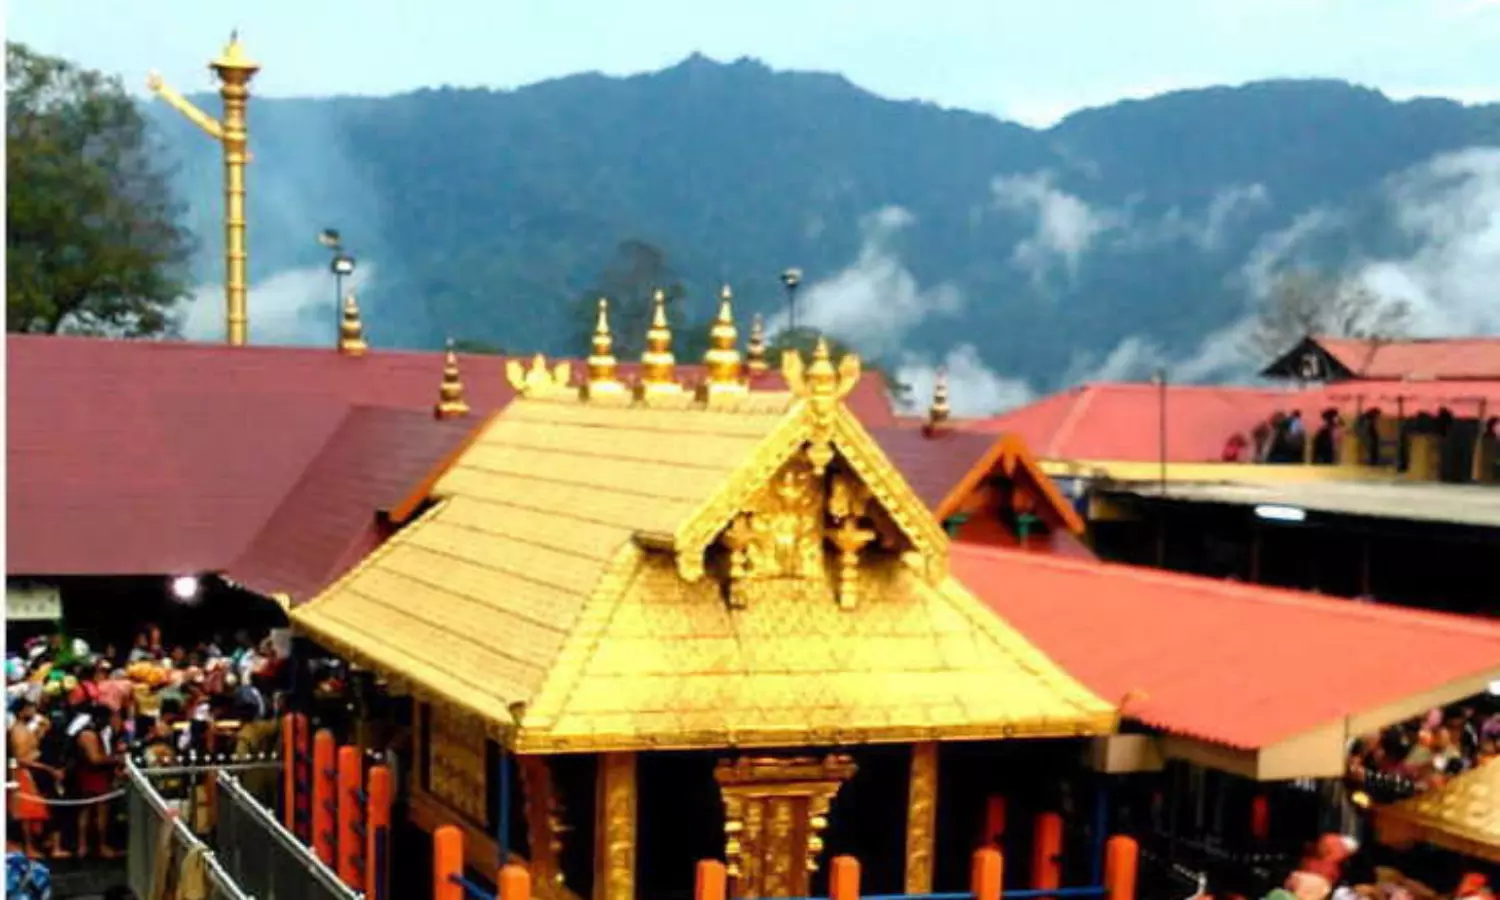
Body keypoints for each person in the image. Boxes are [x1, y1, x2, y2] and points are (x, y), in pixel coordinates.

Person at [7, 700, 60, 859]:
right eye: (30, 709)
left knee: (33, 812)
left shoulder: (24, 729)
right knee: (26, 813)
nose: (33, 712)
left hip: (30, 771)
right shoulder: (18, 731)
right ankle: (28, 847)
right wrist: (47, 768)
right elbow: (21, 758)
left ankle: (35, 845)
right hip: (23, 772)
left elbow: (32, 748)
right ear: (21, 711)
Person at [70, 705, 119, 859]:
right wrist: (116, 759)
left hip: (93, 775)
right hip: (93, 775)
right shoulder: (88, 735)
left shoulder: (95, 733)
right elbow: (95, 759)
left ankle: (84, 845)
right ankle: (97, 846)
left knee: (88, 811)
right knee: (98, 811)